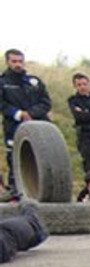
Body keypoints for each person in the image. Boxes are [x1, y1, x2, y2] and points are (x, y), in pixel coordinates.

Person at [1, 49, 51, 196]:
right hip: (14, 128)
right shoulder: (3, 83)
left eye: (20, 61)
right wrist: (19, 114)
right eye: (14, 61)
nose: (18, 64)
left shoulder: (34, 82)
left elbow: (46, 102)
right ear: (8, 62)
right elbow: (2, 105)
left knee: (43, 160)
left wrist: (31, 114)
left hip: (39, 127)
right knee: (16, 162)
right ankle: (17, 193)